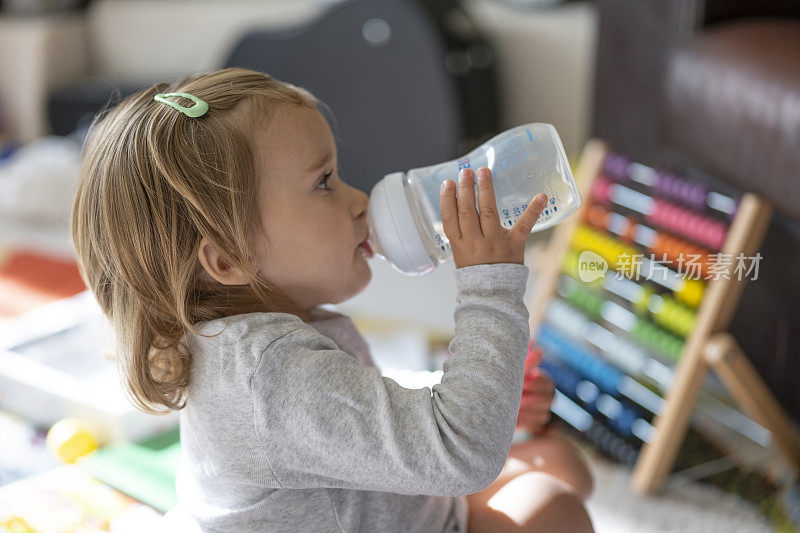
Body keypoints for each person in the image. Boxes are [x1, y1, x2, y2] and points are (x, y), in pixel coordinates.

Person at [70, 67, 593, 532]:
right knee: (552, 505)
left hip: (388, 506)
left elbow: (348, 405)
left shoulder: (251, 326)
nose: (359, 200)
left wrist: (459, 393)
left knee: (558, 463)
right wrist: (489, 285)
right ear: (228, 259)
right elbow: (463, 454)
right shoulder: (270, 376)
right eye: (324, 183)